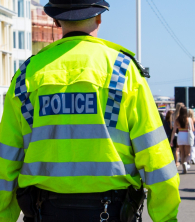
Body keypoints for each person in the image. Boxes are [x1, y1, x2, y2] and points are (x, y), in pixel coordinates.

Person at [0, 1, 180, 221]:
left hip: (42, 212)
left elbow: (6, 160)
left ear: (56, 21)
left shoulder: (26, 75)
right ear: (99, 17)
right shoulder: (123, 71)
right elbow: (155, 156)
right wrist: (166, 216)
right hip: (111, 212)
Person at [170, 107, 195, 174]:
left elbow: (174, 131)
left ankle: (184, 166)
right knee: (188, 153)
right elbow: (193, 129)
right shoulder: (189, 119)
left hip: (180, 135)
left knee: (182, 152)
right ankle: (185, 163)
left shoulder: (177, 120)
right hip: (187, 136)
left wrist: (171, 140)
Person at [171, 102, 185, 167]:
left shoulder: (172, 115)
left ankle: (176, 162)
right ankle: (183, 162)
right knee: (182, 149)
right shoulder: (183, 115)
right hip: (182, 132)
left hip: (174, 133)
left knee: (176, 150)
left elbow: (171, 126)